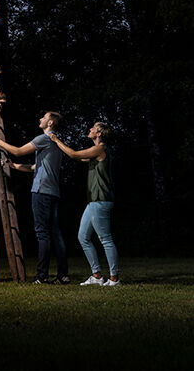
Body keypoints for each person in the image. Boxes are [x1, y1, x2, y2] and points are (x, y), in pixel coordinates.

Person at [0, 111, 69, 284]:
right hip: (53, 192)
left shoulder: (44, 139)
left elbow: (18, 151)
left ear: (50, 123)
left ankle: (42, 276)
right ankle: (63, 275)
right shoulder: (57, 142)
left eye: (44, 117)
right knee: (56, 234)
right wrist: (14, 167)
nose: (40, 118)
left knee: (43, 234)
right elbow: (35, 167)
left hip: (41, 192)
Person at [49, 122, 120, 286]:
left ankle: (114, 278)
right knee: (83, 237)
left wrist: (55, 139)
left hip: (101, 200)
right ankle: (96, 276)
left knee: (105, 239)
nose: (90, 129)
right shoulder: (95, 152)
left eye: (93, 128)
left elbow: (74, 154)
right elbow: (77, 157)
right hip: (93, 202)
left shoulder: (100, 148)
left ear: (99, 134)